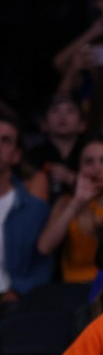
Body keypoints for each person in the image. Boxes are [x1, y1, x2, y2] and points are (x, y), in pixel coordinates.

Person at [36, 136, 103, 283]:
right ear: (79, 169)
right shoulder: (66, 203)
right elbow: (44, 247)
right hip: (72, 290)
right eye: (89, 162)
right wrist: (78, 202)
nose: (97, 168)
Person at [0, 112, 53, 305]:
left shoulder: (33, 207)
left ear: (16, 155)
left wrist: (18, 291)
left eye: (5, 141)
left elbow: (42, 263)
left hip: (13, 305)